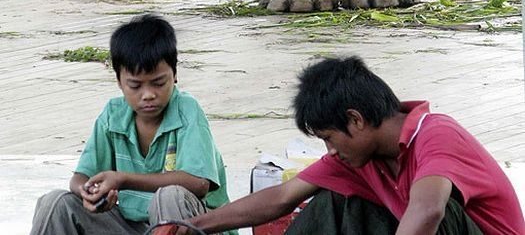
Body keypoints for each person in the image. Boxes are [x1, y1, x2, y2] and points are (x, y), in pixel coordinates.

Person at [171, 56, 525, 235]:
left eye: (328, 137)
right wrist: (194, 226)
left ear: (356, 120)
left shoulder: (436, 133)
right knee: (335, 198)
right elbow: (280, 197)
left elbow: (430, 211)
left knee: (437, 206)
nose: (330, 150)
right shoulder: (359, 157)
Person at [30, 13, 237, 235]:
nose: (148, 95)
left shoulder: (187, 111)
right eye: (135, 86)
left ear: (175, 75)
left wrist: (123, 180)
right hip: (134, 227)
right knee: (57, 203)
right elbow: (81, 177)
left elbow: (198, 183)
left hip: (195, 225)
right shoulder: (113, 115)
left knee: (169, 196)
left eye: (158, 83)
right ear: (119, 81)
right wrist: (89, 192)